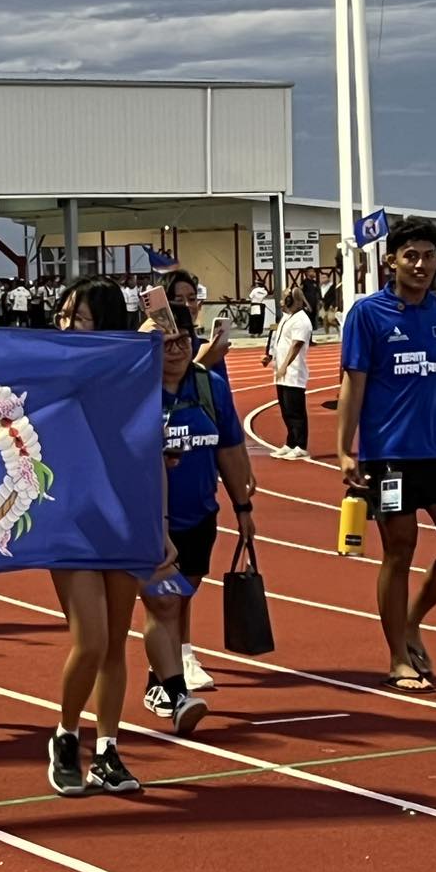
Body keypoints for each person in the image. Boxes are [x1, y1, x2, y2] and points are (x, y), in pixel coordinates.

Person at [335, 217, 436, 695]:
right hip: (388, 456)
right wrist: (346, 450)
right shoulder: (367, 315)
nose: (421, 264)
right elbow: (353, 386)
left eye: (429, 255)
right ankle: (397, 658)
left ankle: (410, 621)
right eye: (412, 255)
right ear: (392, 261)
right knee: (399, 549)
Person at [45, 276, 166, 794]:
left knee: (116, 641)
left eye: (80, 316)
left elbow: (150, 453)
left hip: (126, 515)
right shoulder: (52, 368)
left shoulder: (136, 376)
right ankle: (66, 735)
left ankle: (109, 749)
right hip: (73, 517)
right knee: (89, 639)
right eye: (65, 314)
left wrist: (160, 526)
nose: (67, 324)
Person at [141, 302, 255, 730]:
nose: (175, 350)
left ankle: (161, 680)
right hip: (151, 520)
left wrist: (243, 507)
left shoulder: (211, 387)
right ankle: (172, 692)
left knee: (180, 597)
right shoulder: (137, 390)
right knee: (164, 603)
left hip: (200, 516)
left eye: (183, 341)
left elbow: (228, 449)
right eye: (165, 342)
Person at [263, 285, 314, 460]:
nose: (281, 301)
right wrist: (270, 357)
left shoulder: (301, 320)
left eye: (284, 297)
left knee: (295, 411)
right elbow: (279, 341)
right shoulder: (286, 317)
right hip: (282, 371)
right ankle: (290, 442)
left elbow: (296, 345)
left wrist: (284, 365)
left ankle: (301, 445)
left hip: (294, 372)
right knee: (285, 409)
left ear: (292, 300)